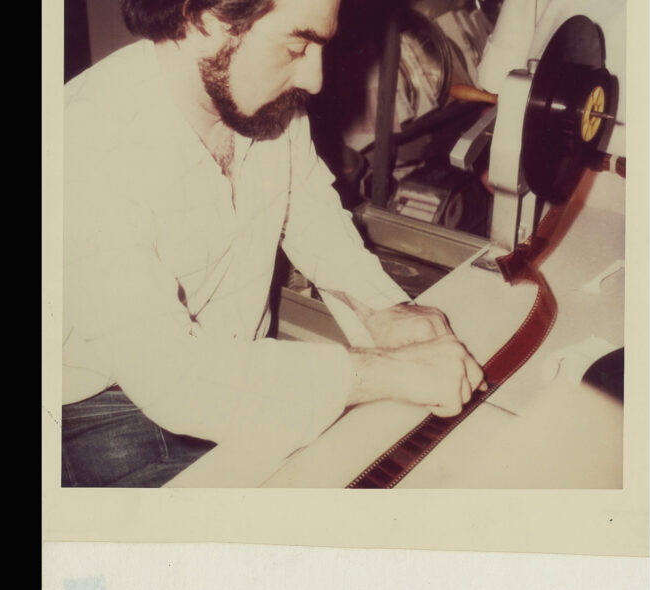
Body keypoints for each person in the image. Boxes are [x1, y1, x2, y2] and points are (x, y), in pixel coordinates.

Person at [61, 0, 486, 487]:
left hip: (230, 369)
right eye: (297, 46)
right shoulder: (83, 147)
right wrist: (387, 373)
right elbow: (176, 379)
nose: (314, 80)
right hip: (103, 411)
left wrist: (381, 310)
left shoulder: (263, 99)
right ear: (203, 20)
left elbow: (306, 208)